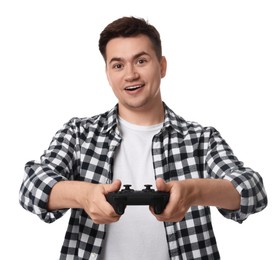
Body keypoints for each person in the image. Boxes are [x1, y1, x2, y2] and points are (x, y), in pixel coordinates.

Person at [19, 16, 267, 260]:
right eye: (118, 65)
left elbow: (252, 192)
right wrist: (83, 195)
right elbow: (31, 188)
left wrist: (194, 191)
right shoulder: (79, 134)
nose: (130, 75)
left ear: (162, 66)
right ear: (107, 73)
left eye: (141, 61)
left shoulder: (201, 139)